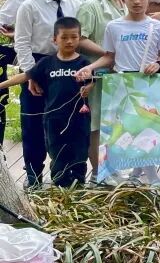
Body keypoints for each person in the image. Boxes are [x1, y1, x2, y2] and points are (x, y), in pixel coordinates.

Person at [75, 0, 160, 185]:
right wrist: (90, 68)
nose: (137, 2)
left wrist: (158, 63)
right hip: (122, 85)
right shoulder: (114, 26)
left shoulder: (158, 27)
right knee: (128, 129)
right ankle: (136, 174)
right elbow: (109, 57)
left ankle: (149, 176)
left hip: (148, 83)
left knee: (147, 127)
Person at [1, 0, 94, 141]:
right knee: (34, 120)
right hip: (38, 60)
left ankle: (65, 160)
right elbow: (20, 39)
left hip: (70, 62)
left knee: (67, 118)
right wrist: (31, 73)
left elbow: (86, 29)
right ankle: (34, 162)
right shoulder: (29, 1)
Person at [13, 0, 84, 188]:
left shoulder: (75, 4)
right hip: (38, 63)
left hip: (67, 65)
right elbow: (22, 42)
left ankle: (66, 173)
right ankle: (33, 174)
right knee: (33, 122)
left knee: (65, 120)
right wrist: (31, 74)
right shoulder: (29, 6)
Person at [0, 17, 92, 187]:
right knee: (57, 155)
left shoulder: (84, 63)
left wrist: (89, 87)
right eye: (64, 37)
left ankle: (78, 186)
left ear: (79, 38)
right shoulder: (47, 63)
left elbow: (93, 80)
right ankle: (60, 187)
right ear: (54, 40)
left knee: (79, 154)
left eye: (74, 37)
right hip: (53, 120)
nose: (69, 41)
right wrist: (2, 85)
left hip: (79, 119)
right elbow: (25, 76)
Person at [76, 0, 131, 182]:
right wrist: (108, 54)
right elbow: (80, 39)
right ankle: (98, 172)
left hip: (119, 74)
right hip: (97, 74)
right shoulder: (92, 5)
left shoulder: (126, 3)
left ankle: (112, 168)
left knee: (115, 122)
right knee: (97, 125)